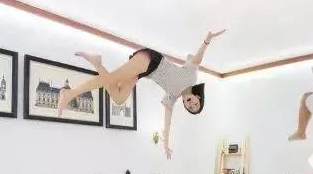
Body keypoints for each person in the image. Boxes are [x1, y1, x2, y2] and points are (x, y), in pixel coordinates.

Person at [57, 29, 227, 159]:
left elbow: (167, 124)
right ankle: (70, 94)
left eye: (191, 108)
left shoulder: (172, 97)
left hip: (145, 72)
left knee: (118, 98)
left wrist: (165, 145)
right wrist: (207, 40)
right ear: (198, 96)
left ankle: (97, 63)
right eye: (196, 104)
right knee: (113, 78)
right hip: (152, 60)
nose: (191, 104)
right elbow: (197, 59)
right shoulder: (191, 77)